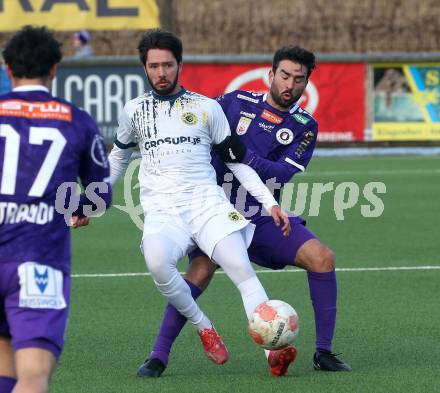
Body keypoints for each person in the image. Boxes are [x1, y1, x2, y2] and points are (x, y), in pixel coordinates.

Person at [138, 46, 352, 378]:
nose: (289, 84)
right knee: (199, 272)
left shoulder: (304, 125)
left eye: (298, 79)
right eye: (284, 75)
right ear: (271, 74)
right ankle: (158, 355)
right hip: (213, 211)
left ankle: (323, 352)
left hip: (263, 215)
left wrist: (242, 155)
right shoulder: (235, 102)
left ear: (306, 83)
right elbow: (198, 134)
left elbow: (280, 174)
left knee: (322, 257)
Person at [106, 28, 292, 368]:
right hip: (163, 211)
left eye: (167, 65)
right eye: (153, 66)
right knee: (157, 263)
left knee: (241, 269)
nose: (161, 73)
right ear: (144, 68)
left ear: (180, 65)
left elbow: (237, 162)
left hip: (208, 205)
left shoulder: (206, 108)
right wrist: (93, 197)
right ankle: (204, 326)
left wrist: (269, 203)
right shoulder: (134, 111)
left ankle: (274, 351)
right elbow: (118, 157)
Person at [0, 26, 111, 393]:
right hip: (38, 262)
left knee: (5, 372)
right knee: (33, 376)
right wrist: (76, 208)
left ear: (8, 68)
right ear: (54, 69)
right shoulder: (76, 120)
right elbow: (98, 195)